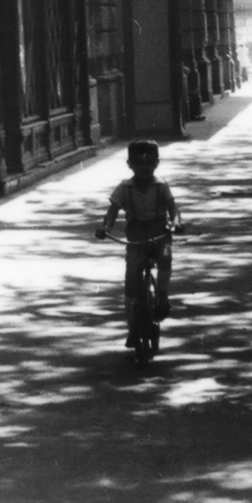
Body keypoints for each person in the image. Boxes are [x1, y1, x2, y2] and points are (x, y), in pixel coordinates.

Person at [96, 140, 182, 351]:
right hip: (135, 239)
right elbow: (112, 211)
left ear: (156, 164)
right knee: (131, 288)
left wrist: (177, 223)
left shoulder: (161, 186)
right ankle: (133, 329)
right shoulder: (124, 188)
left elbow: (173, 209)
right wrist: (106, 227)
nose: (144, 168)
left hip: (160, 235)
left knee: (165, 257)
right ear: (129, 164)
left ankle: (162, 294)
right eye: (139, 164)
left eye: (149, 164)